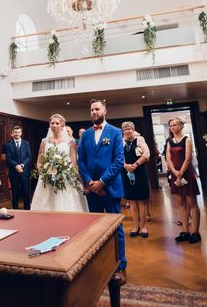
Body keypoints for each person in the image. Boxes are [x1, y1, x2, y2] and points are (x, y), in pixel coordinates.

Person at [77, 99, 127, 285]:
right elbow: (81, 160)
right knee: (94, 230)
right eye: (91, 109)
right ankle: (98, 264)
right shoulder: (86, 135)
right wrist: (90, 182)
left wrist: (102, 182)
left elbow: (118, 161)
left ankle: (121, 266)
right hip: (91, 189)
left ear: (105, 110)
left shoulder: (115, 132)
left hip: (110, 188)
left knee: (116, 229)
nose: (94, 112)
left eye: (97, 108)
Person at [30, 113, 88, 212]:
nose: (54, 125)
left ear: (62, 125)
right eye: (52, 123)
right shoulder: (44, 141)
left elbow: (73, 163)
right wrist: (44, 173)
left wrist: (65, 174)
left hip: (65, 178)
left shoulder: (71, 141)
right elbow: (40, 162)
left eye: (57, 123)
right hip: (47, 180)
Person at [165, 117, 201, 243]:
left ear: (181, 126)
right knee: (180, 203)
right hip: (175, 174)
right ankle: (185, 231)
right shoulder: (169, 140)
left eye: (175, 125)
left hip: (186, 173)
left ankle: (195, 232)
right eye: (171, 125)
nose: (173, 127)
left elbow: (187, 158)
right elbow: (168, 158)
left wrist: (181, 173)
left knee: (192, 203)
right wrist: (175, 173)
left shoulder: (187, 139)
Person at [121, 121, 151, 238]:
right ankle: (135, 226)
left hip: (139, 172)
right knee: (132, 201)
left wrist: (135, 164)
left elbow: (147, 153)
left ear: (133, 130)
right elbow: (118, 156)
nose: (127, 131)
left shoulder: (139, 139)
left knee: (141, 201)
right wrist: (125, 166)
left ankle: (143, 226)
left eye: (129, 129)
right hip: (127, 173)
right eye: (125, 129)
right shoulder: (121, 142)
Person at [3, 124, 32, 209]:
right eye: (15, 132)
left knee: (26, 192)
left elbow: (29, 156)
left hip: (24, 172)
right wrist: (16, 166)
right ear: (12, 133)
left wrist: (22, 165)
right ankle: (15, 211)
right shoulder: (8, 145)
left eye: (18, 132)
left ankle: (27, 211)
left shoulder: (26, 143)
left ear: (21, 133)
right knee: (15, 193)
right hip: (13, 172)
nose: (17, 134)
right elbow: (8, 158)